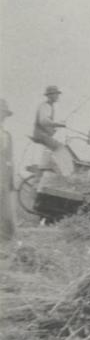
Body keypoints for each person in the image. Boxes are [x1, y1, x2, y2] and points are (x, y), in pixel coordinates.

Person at [32, 85, 73, 176]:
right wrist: (58, 124)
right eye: (56, 94)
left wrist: (56, 127)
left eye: (58, 94)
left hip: (43, 135)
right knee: (61, 149)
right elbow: (43, 121)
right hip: (41, 135)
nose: (58, 96)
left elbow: (47, 123)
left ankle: (46, 168)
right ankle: (65, 175)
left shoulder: (49, 106)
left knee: (54, 148)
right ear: (50, 95)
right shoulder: (45, 106)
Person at [0, 99, 15, 242]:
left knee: (5, 207)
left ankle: (5, 238)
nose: (1, 117)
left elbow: (9, 160)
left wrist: (10, 180)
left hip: (3, 175)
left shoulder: (6, 135)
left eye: (3, 114)